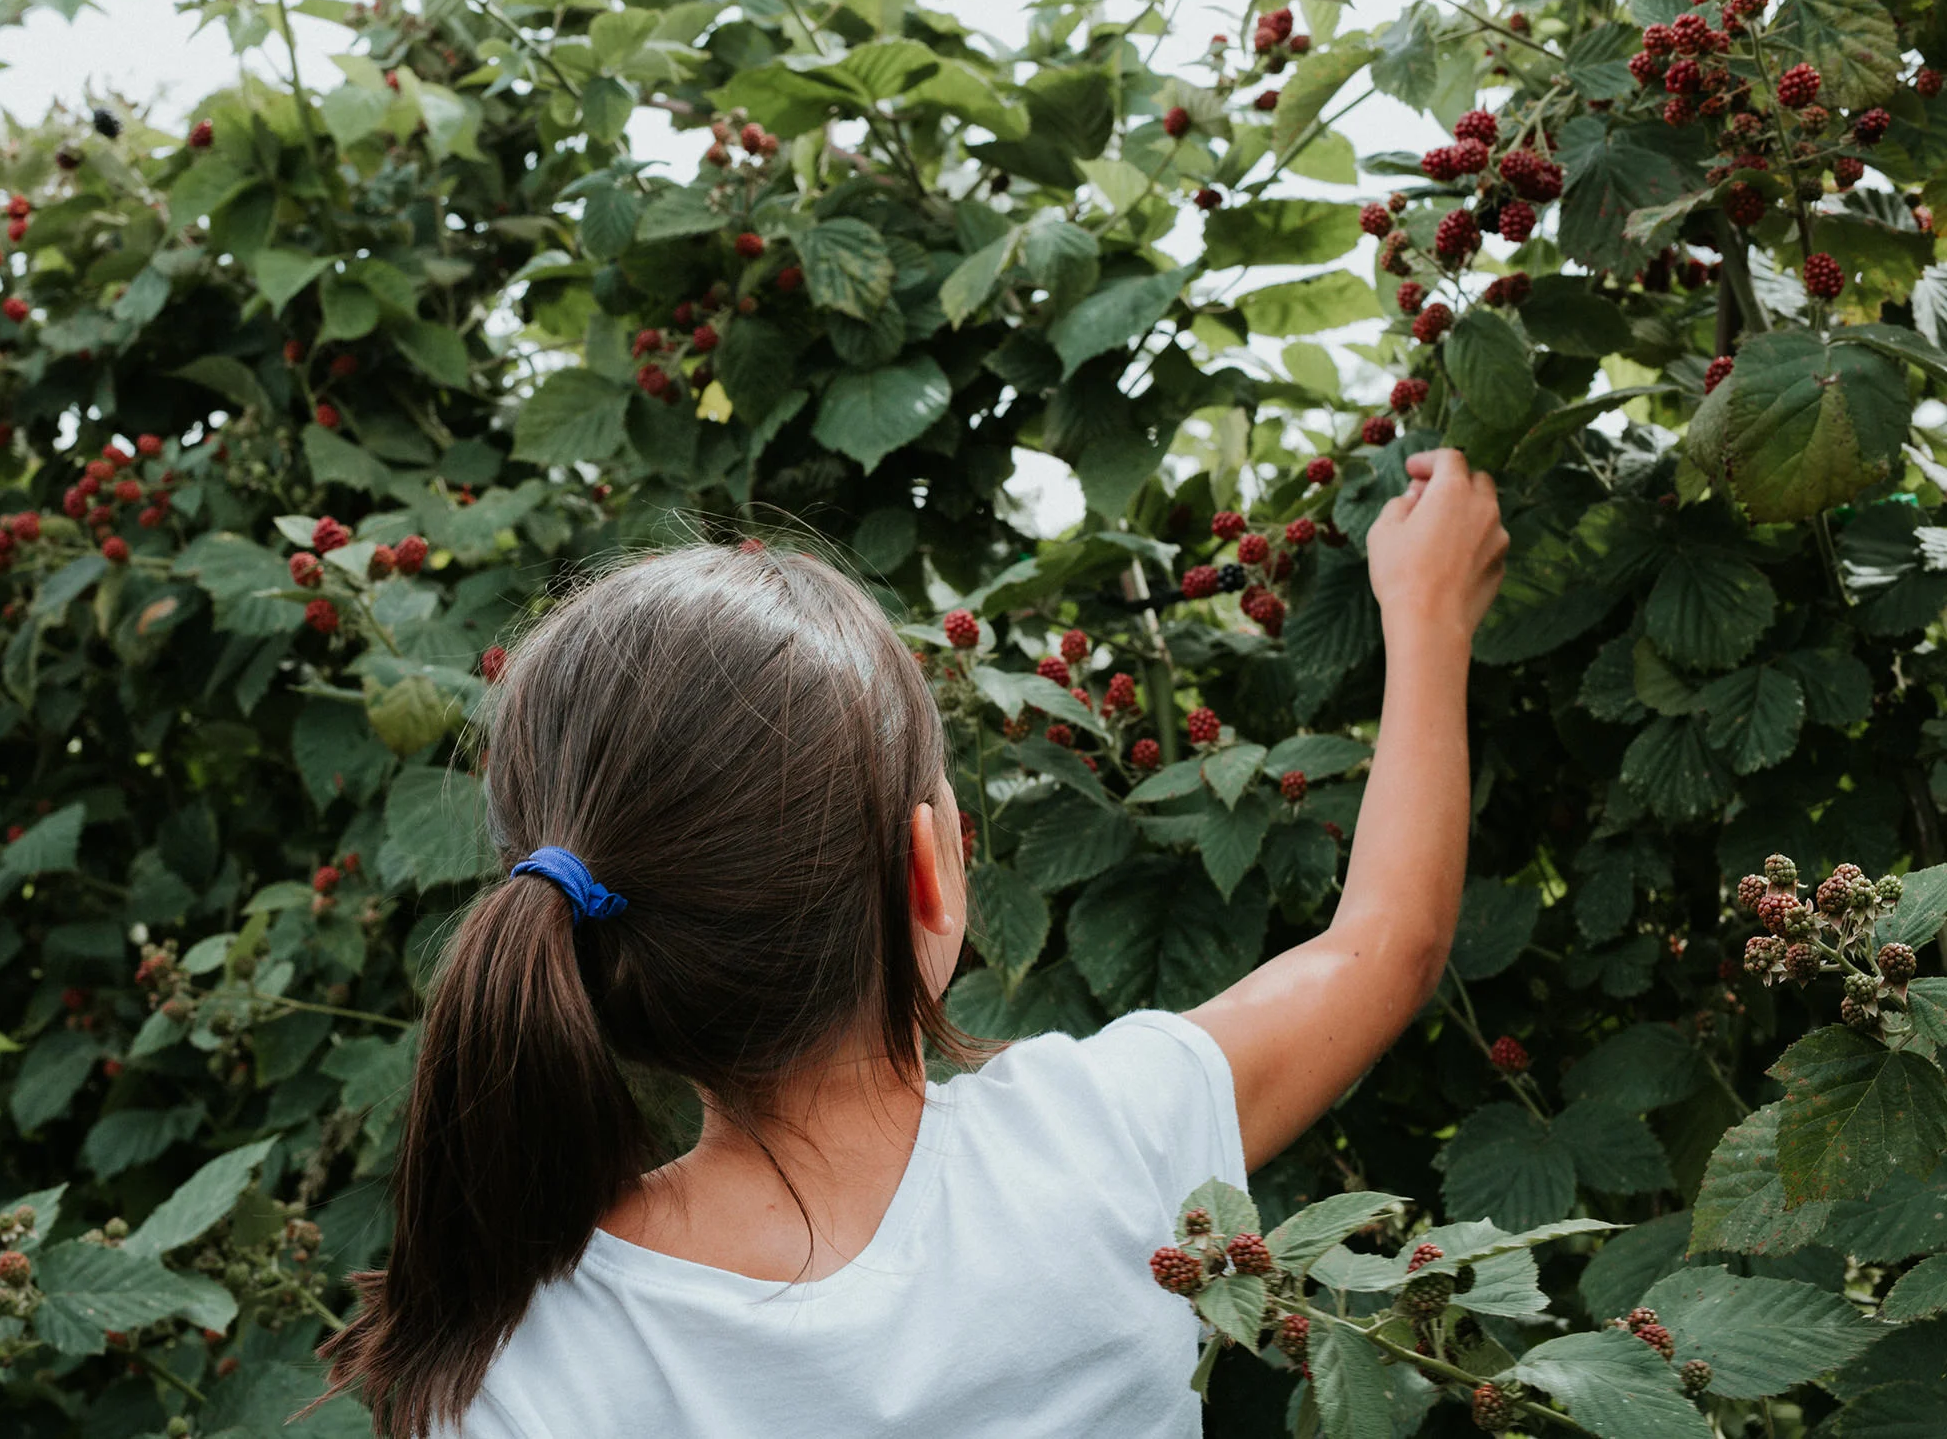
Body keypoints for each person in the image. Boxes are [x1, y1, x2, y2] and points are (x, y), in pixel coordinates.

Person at [319, 448, 1508, 1437]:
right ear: (931, 873)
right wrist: (1424, 614)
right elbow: (1383, 946)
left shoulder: (522, 1371)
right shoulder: (1099, 1141)